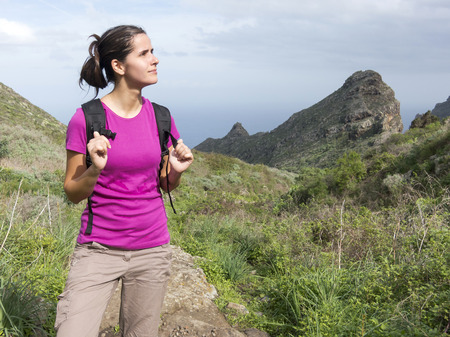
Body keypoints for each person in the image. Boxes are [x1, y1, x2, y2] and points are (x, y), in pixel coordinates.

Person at [55, 25, 194, 337]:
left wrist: (176, 170)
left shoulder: (161, 117)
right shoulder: (86, 119)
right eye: (144, 54)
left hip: (152, 249)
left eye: (152, 51)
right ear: (118, 66)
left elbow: (164, 185)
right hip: (98, 249)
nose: (154, 59)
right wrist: (94, 170)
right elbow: (73, 193)